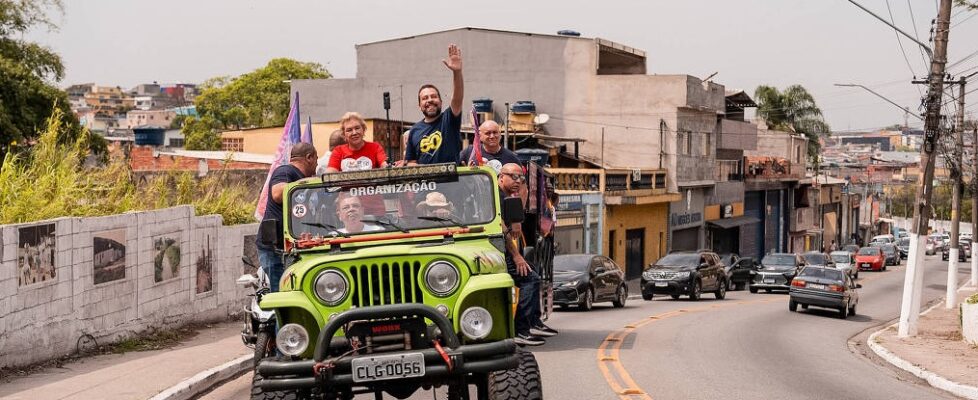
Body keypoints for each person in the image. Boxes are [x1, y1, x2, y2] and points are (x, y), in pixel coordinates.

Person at [497, 163, 555, 346]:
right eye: (513, 177)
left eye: (521, 178)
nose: (518, 181)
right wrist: (516, 255)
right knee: (530, 278)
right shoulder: (496, 196)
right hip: (499, 253)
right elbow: (501, 226)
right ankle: (520, 330)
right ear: (500, 177)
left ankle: (531, 323)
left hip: (500, 251)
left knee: (533, 272)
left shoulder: (506, 197)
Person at [258, 143, 318, 292]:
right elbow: (278, 194)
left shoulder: (300, 177)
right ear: (309, 157)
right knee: (282, 295)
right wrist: (305, 183)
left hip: (295, 248)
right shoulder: (286, 171)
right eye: (316, 159)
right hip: (276, 250)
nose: (317, 164)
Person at [405, 44, 464, 165]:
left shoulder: (449, 120)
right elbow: (411, 161)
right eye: (425, 98)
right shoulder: (414, 130)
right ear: (419, 105)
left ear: (441, 102)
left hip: (452, 183)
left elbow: (457, 98)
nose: (430, 100)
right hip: (427, 184)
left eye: (434, 96)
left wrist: (457, 72)